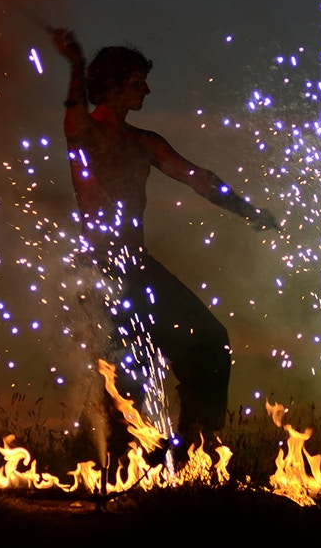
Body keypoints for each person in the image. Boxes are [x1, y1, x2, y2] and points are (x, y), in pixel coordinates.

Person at [49, 27, 277, 443]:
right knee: (128, 370)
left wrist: (246, 210)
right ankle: (121, 464)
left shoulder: (144, 142)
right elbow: (72, 116)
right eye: (137, 83)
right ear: (113, 87)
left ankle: (197, 444)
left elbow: (199, 179)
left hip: (137, 266)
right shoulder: (87, 133)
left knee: (209, 340)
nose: (148, 90)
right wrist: (76, 64)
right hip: (101, 271)